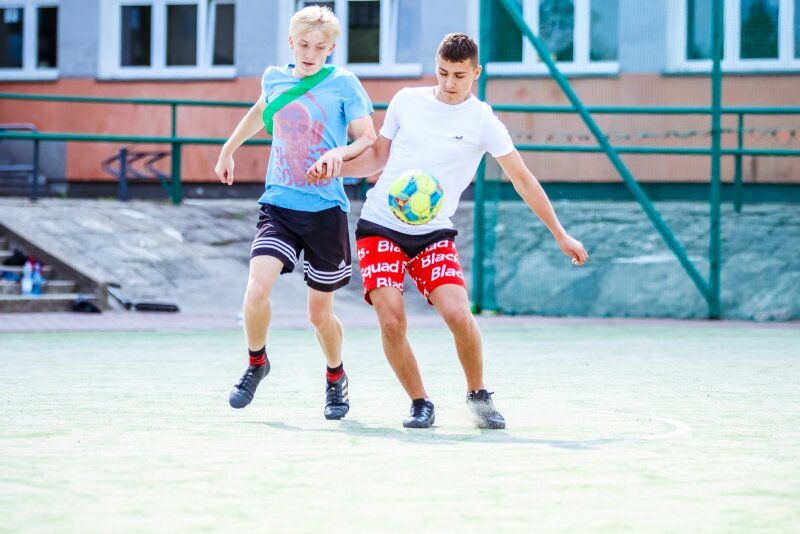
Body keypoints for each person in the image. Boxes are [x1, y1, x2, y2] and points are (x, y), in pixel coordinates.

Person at [307, 33, 588, 429]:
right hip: (379, 225)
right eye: (442, 73)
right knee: (391, 320)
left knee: (457, 313)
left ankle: (478, 394)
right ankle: (420, 402)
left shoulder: (483, 121)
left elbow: (522, 179)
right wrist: (333, 171)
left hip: (434, 232)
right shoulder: (407, 101)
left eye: (459, 75)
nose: (449, 83)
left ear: (476, 73)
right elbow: (377, 158)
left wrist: (560, 233)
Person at [215, 5, 376, 420]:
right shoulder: (274, 78)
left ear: (331, 48)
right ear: (291, 42)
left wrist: (340, 153)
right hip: (279, 205)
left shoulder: (344, 84)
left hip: (326, 211)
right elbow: (261, 110)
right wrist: (228, 149)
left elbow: (368, 137)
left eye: (320, 47)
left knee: (319, 315)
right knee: (256, 290)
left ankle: (336, 376)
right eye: (303, 44)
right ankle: (256, 363)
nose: (310, 53)